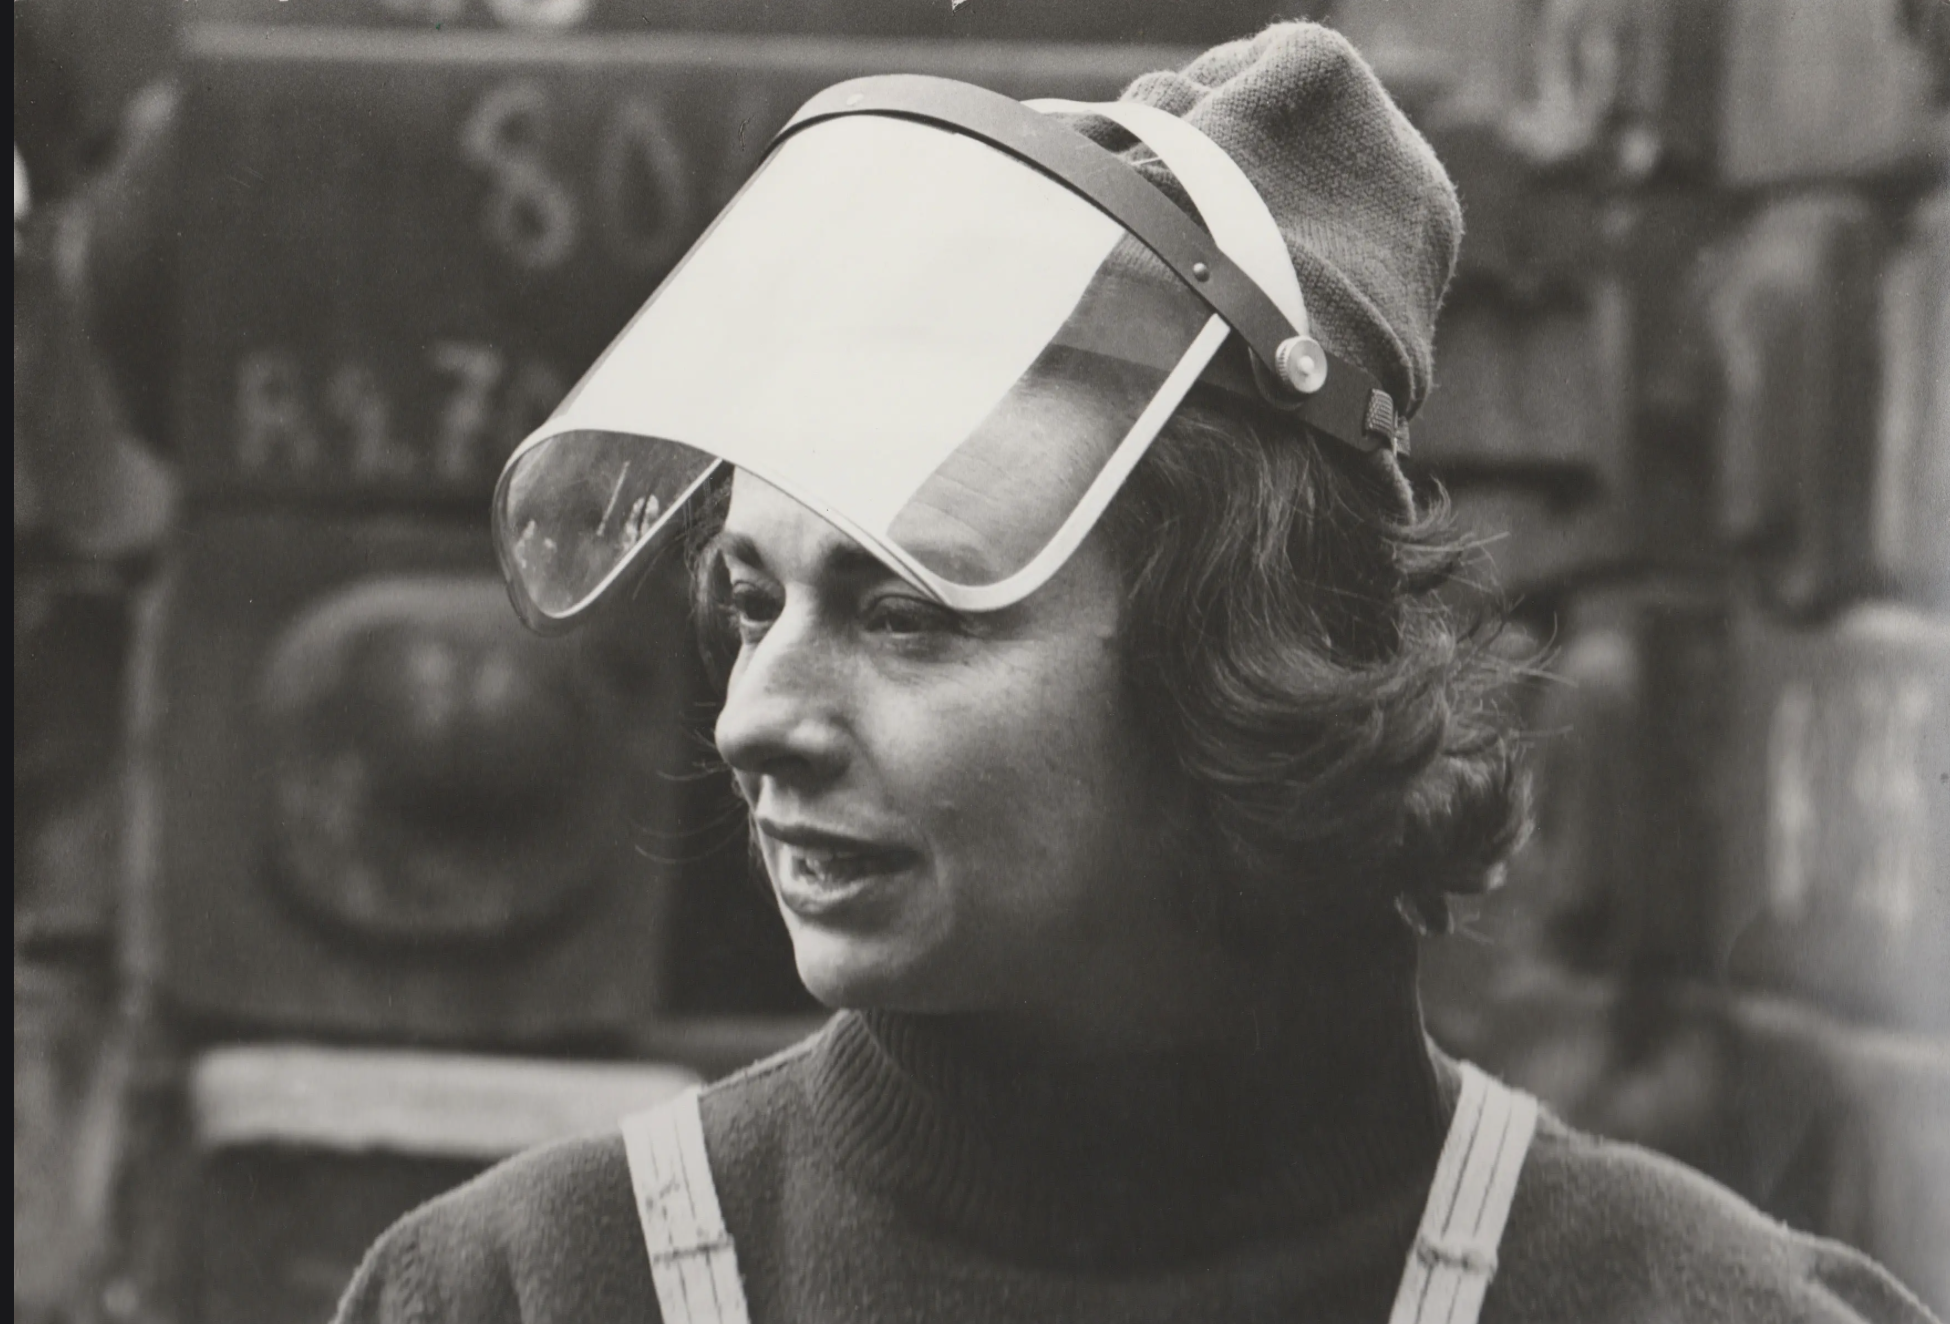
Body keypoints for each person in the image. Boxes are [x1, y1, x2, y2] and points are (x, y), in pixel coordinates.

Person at [337, 22, 1938, 1324]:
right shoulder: (533, 1292)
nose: (754, 718)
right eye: (754, 604)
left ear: (1244, 663)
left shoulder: (1688, 1310)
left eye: (910, 614)